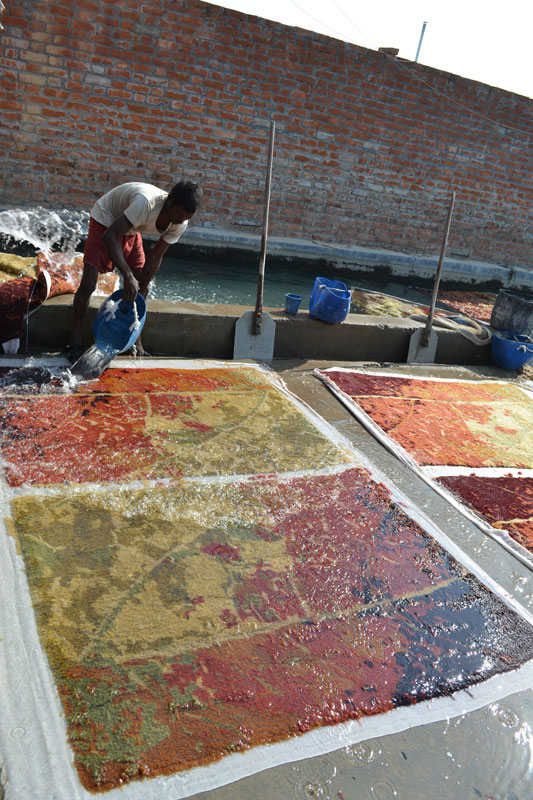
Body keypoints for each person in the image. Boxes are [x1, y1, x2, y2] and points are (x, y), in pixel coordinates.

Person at [68, 180, 202, 362]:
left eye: (184, 218)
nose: (179, 221)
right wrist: (127, 275)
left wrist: (141, 286)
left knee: (142, 286)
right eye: (178, 215)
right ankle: (75, 338)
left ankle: (135, 341)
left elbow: (156, 256)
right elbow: (109, 236)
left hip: (130, 228)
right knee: (89, 283)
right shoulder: (145, 203)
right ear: (169, 200)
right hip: (106, 218)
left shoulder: (180, 222)